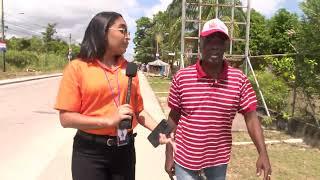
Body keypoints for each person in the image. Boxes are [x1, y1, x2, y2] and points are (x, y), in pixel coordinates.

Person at [160, 18, 272, 180]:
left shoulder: (239, 80)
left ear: (226, 45)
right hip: (184, 161)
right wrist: (169, 153)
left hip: (218, 163)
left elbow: (251, 118)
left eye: (220, 41)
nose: (214, 45)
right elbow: (173, 118)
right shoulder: (182, 77)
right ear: (200, 44)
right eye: (209, 40)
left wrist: (263, 152)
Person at [54, 11, 158, 180]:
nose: (127, 37)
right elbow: (66, 119)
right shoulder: (77, 67)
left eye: (128, 32)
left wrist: (162, 132)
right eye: (122, 30)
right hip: (89, 153)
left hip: (124, 149)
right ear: (103, 31)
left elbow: (139, 111)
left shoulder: (129, 68)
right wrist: (108, 120)